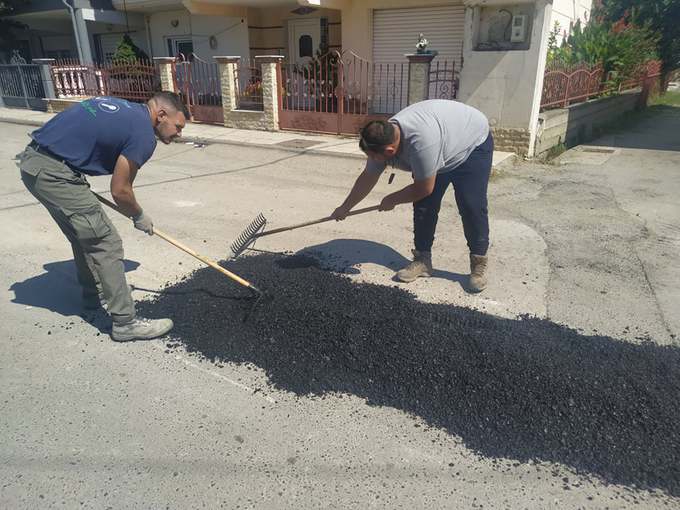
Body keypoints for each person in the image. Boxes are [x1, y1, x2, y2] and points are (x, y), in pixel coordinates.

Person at [16, 93, 190, 341]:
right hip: (55, 174)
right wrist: (139, 215)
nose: (179, 134)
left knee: (84, 236)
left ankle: (95, 296)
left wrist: (70, 169)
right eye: (178, 126)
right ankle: (125, 322)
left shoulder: (126, 108)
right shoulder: (143, 135)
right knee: (105, 242)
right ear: (161, 115)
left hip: (37, 163)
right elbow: (120, 190)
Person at [331, 99, 493, 292]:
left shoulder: (422, 143)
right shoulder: (382, 137)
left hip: (471, 145)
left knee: (471, 205)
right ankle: (423, 260)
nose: (372, 160)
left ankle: (478, 265)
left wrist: (392, 199)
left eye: (374, 157)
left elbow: (424, 188)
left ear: (390, 151)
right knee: (424, 206)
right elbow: (368, 176)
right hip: (442, 140)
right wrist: (345, 207)